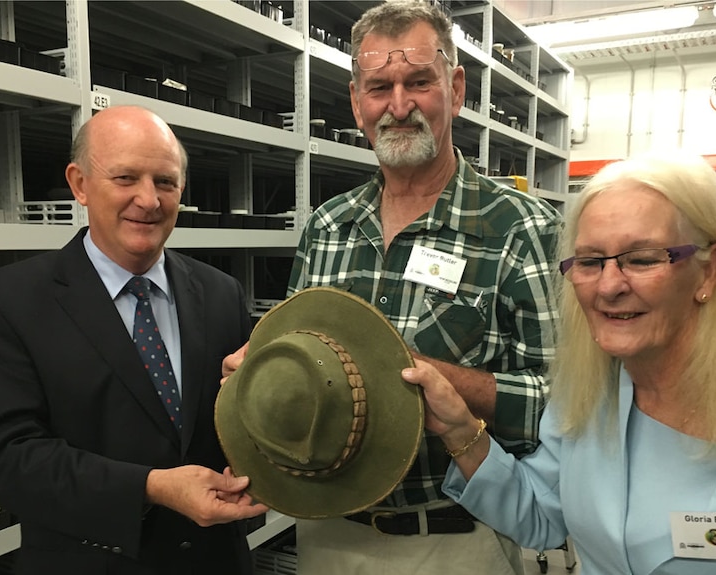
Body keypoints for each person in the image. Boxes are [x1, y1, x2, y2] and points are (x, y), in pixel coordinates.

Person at [224, 2, 561, 573]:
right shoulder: (327, 227)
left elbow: (563, 408)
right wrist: (266, 375)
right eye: (379, 87)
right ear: (356, 101)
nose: (399, 106)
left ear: (455, 89)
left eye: (419, 82)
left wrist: (427, 378)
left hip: (455, 540)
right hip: (326, 535)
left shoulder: (522, 230)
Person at [403, 151, 716, 573]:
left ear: (708, 270)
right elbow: (540, 514)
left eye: (642, 259)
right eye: (590, 262)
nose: (608, 286)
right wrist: (461, 429)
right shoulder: (591, 394)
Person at [0, 105, 268, 575]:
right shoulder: (6, 302)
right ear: (79, 183)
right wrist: (151, 487)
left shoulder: (220, 293)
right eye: (125, 178)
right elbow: (3, 458)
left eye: (165, 182)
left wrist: (260, 401)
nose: (149, 200)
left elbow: (241, 429)